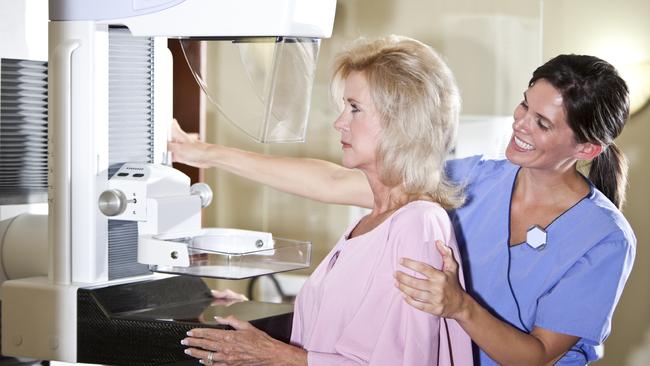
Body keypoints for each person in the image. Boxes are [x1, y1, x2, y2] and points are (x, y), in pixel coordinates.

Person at [171, 52, 636, 365]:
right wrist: (206, 154)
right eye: (523, 105)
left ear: (588, 149)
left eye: (542, 122)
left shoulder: (603, 238)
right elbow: (335, 181)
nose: (520, 125)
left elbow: (537, 356)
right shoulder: (478, 179)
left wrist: (460, 307)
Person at [178, 35, 473, 365]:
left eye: (355, 108)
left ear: (401, 122)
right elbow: (338, 338)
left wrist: (274, 354)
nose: (339, 122)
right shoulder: (370, 222)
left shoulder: (417, 223)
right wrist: (251, 314)